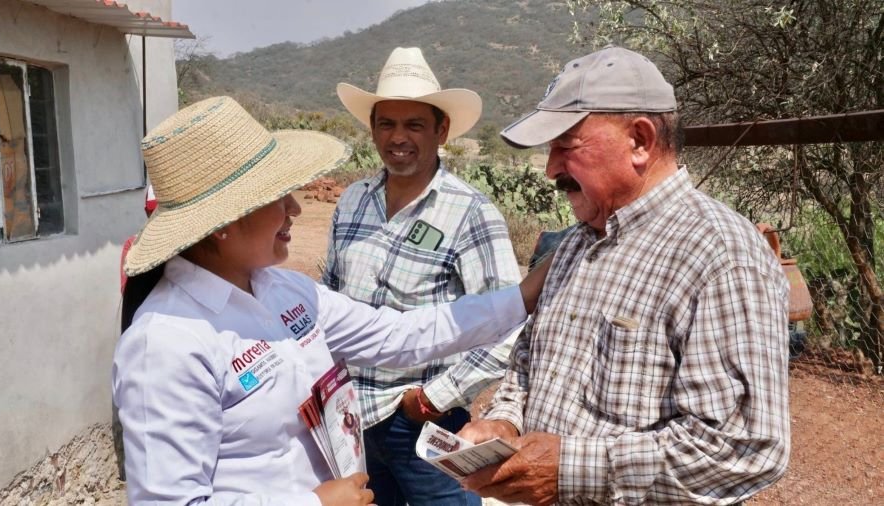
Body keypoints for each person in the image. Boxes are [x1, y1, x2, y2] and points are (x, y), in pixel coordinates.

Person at [112, 96, 549, 505]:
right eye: (276, 197)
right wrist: (315, 503)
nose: (295, 209)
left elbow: (398, 333)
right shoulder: (167, 344)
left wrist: (524, 295)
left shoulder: (283, 291)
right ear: (223, 222)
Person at [459, 46, 791, 505]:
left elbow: (744, 447)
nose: (552, 167)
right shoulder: (579, 240)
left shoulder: (719, 256)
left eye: (566, 145)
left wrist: (571, 471)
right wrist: (505, 421)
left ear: (640, 140)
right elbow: (528, 361)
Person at [327, 46, 521, 506]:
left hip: (422, 423)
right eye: (386, 123)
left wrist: (432, 398)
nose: (398, 137)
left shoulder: (471, 213)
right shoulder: (352, 201)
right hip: (351, 418)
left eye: (414, 124)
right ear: (372, 129)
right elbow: (329, 301)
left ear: (442, 130)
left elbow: (510, 324)